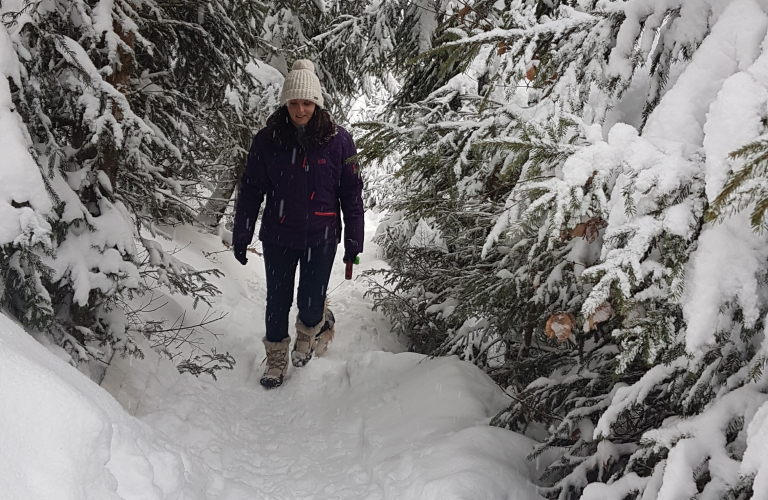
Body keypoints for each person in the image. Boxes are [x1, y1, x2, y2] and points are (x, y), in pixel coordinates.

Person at [232, 59, 364, 389]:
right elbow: (251, 189)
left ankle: (307, 337)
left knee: (310, 301)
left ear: (316, 103)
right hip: (279, 235)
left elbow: (351, 193)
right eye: (294, 102)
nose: (300, 110)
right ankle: (277, 358)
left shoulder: (340, 141)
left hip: (322, 237)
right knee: (277, 300)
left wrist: (353, 243)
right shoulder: (267, 140)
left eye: (307, 103)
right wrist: (242, 232)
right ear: (286, 103)